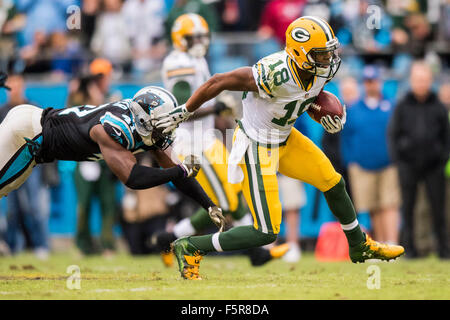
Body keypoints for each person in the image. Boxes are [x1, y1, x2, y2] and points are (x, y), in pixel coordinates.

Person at [155, 16, 405, 280]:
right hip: (256, 145)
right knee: (266, 231)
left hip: (285, 137)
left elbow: (304, 96)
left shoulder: (317, 70)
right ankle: (191, 246)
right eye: (321, 55)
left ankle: (359, 245)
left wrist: (322, 110)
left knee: (333, 182)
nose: (328, 60)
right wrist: (183, 111)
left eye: (330, 53)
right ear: (301, 54)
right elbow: (218, 81)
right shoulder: (274, 72)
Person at [0, 82, 223, 243]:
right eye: (161, 124)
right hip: (26, 135)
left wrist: (208, 204)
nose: (165, 131)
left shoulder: (145, 128)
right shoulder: (113, 128)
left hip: (34, 144)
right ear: (145, 118)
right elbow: (133, 178)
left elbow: (179, 175)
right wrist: (179, 171)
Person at [154, 13, 290, 268]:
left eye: (203, 37)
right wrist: (217, 108)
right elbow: (183, 110)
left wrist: (223, 116)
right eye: (193, 37)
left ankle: (168, 238)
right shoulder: (178, 63)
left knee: (231, 196)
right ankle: (253, 252)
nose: (199, 41)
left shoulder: (195, 60)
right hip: (191, 142)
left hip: (207, 139)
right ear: (179, 39)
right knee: (225, 201)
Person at [388, 61, 450, 259]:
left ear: (430, 81)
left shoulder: (438, 106)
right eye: (417, 80)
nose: (421, 84)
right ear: (411, 81)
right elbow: (393, 135)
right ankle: (410, 249)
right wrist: (400, 161)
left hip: (434, 166)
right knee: (408, 208)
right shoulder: (402, 106)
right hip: (408, 165)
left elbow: (446, 137)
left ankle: (443, 249)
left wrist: (441, 157)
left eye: (424, 80)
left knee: (438, 209)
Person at [341, 65, 400, 245]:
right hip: (363, 165)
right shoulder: (354, 109)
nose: (370, 85)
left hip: (388, 163)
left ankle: (392, 242)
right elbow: (346, 137)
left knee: (389, 205)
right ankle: (381, 243)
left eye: (373, 81)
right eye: (367, 82)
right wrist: (351, 160)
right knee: (373, 207)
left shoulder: (391, 106)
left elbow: (398, 133)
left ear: (379, 82)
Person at [69, 58, 121, 256]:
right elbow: (71, 116)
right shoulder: (79, 95)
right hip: (84, 157)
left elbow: (110, 116)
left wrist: (96, 96)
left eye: (102, 76)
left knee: (108, 203)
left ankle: (108, 244)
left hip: (106, 159)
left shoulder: (112, 95)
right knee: (84, 203)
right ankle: (83, 245)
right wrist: (77, 92)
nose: (100, 80)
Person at [0, 72, 50, 259]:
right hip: (9, 165)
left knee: (35, 206)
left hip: (31, 165)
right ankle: (12, 246)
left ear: (23, 86)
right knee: (12, 209)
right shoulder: (2, 111)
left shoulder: (33, 109)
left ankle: (41, 245)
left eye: (17, 84)